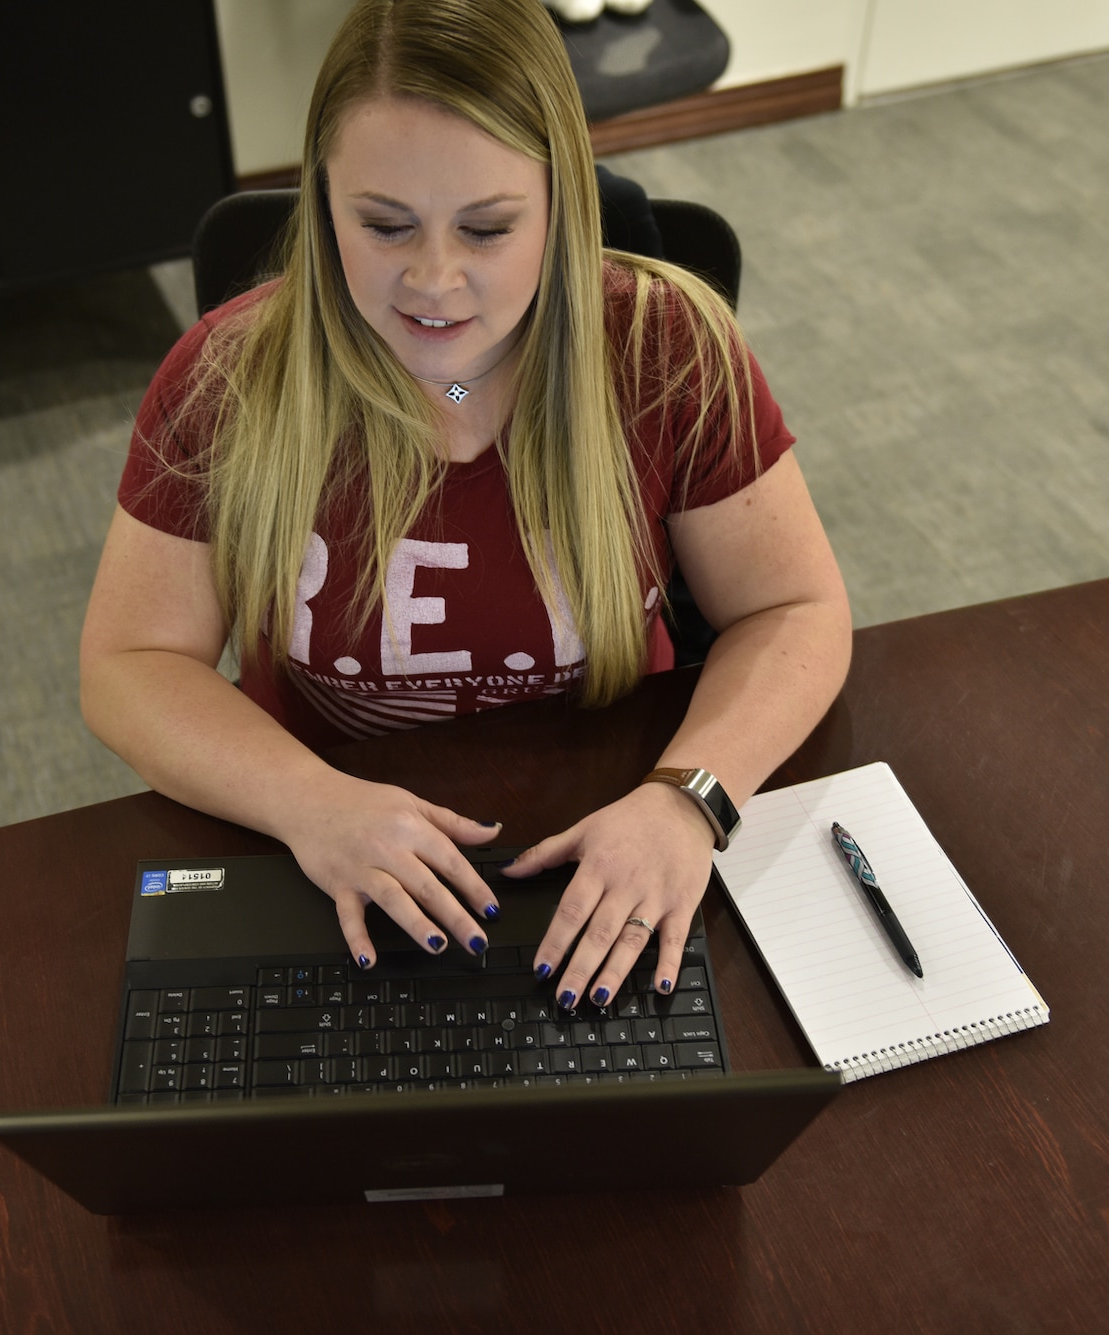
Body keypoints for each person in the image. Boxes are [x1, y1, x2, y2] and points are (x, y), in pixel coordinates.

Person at [80, 0, 849, 1014]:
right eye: (383, 224)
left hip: (614, 825)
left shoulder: (666, 349)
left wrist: (688, 800)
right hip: (332, 840)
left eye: (487, 229)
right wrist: (310, 804)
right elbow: (129, 664)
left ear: (560, 200)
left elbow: (793, 609)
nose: (434, 283)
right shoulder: (227, 378)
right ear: (320, 201)